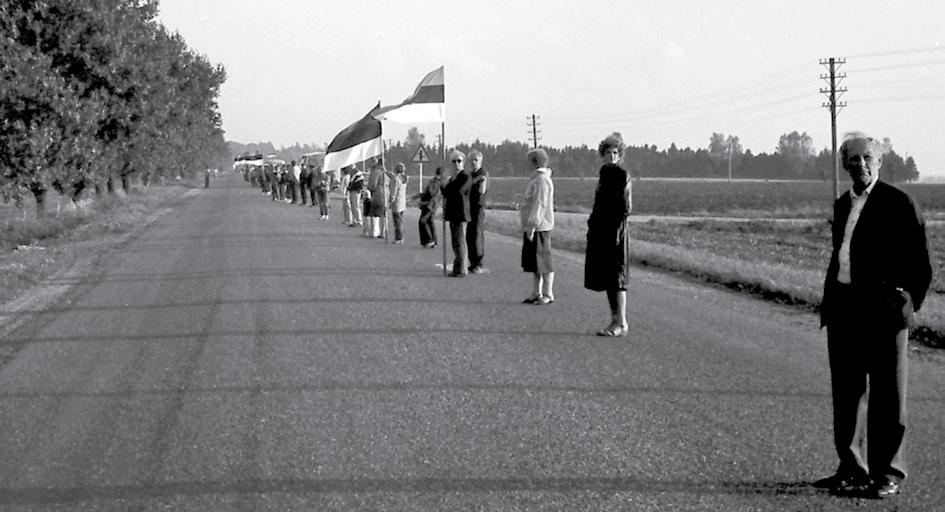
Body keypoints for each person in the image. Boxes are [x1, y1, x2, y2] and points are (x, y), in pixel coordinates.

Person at [815, 132, 932, 499]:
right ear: (844, 165)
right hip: (845, 311)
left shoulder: (899, 202)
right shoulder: (841, 205)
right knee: (847, 395)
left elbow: (921, 262)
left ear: (879, 161)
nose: (860, 164)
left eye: (867, 157)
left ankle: (888, 473)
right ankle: (851, 469)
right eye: (852, 159)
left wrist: (906, 302)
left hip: (884, 315)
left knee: (889, 396)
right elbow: (842, 257)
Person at [584, 132, 633, 337]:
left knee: (617, 278)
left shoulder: (622, 175)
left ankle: (620, 322)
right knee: (607, 278)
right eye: (608, 153)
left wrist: (614, 230)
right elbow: (598, 204)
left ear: (619, 155)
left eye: (615, 153)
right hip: (601, 230)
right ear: (602, 154)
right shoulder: (604, 173)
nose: (612, 156)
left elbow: (626, 207)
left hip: (616, 232)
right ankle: (615, 319)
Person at [519, 148, 555, 305]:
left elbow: (540, 204)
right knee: (534, 262)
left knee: (543, 261)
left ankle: (548, 293)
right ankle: (536, 292)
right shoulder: (536, 179)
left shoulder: (541, 180)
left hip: (540, 227)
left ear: (535, 162)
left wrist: (533, 225)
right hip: (533, 226)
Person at [441, 150, 472, 277]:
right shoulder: (453, 177)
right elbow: (446, 193)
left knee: (460, 241)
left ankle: (462, 269)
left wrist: (449, 187)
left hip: (461, 213)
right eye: (454, 161)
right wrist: (443, 184)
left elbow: (459, 191)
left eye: (459, 161)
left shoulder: (465, 176)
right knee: (455, 242)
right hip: (452, 213)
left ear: (463, 162)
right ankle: (457, 267)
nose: (456, 164)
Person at [467, 149, 489, 273]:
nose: (473, 162)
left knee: (476, 235)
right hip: (469, 208)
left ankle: (478, 263)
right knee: (469, 235)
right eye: (471, 160)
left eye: (476, 160)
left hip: (478, 207)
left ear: (480, 161)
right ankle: (472, 262)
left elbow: (481, 190)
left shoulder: (483, 173)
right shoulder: (470, 174)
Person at [418, 167, 443, 248]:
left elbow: (430, 193)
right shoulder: (440, 182)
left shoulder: (435, 182)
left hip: (429, 205)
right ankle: (433, 240)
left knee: (423, 221)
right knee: (430, 222)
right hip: (433, 205)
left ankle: (429, 240)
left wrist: (423, 198)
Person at [367, 159, 389, 239]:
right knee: (384, 214)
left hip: (378, 194)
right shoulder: (387, 173)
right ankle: (383, 232)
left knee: (374, 213)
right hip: (386, 193)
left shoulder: (376, 172)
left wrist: (370, 190)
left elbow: (373, 184)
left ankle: (374, 231)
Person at [388, 163, 408, 244]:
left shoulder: (395, 180)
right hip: (402, 203)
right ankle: (401, 237)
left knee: (397, 222)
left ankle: (399, 238)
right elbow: (392, 176)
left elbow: (393, 192)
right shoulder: (405, 178)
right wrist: (386, 171)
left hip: (397, 203)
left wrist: (390, 201)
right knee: (400, 221)